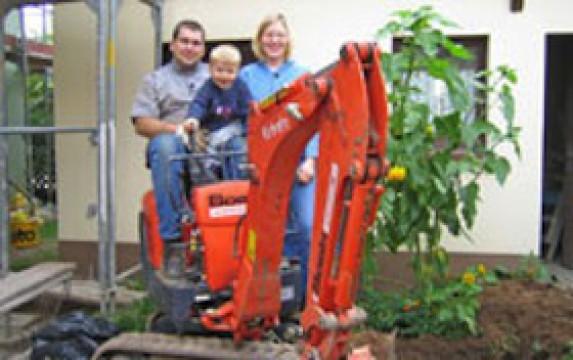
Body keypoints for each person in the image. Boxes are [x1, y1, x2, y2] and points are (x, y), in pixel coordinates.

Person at [240, 13, 318, 299]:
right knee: (262, 232)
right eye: (268, 35)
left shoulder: (303, 75)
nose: (274, 40)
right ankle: (266, 295)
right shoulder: (246, 77)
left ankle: (305, 296)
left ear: (287, 40)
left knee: (307, 226)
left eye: (279, 35)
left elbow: (315, 122)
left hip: (298, 164)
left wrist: (311, 160)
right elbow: (243, 122)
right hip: (261, 167)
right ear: (260, 40)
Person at [131, 19, 209, 278]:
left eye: (196, 43)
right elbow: (142, 122)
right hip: (173, 141)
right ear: (173, 45)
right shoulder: (155, 80)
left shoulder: (216, 74)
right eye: (184, 41)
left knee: (237, 146)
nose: (190, 47)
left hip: (209, 144)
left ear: (203, 48)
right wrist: (177, 131)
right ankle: (173, 243)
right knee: (164, 147)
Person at [185, 44, 252, 180]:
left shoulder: (240, 87)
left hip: (234, 128)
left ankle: (236, 187)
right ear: (210, 69)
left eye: (230, 71)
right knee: (202, 154)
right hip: (213, 131)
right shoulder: (208, 87)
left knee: (239, 150)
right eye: (219, 70)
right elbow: (199, 103)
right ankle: (210, 175)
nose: (224, 76)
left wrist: (249, 130)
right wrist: (193, 119)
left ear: (238, 71)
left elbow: (248, 110)